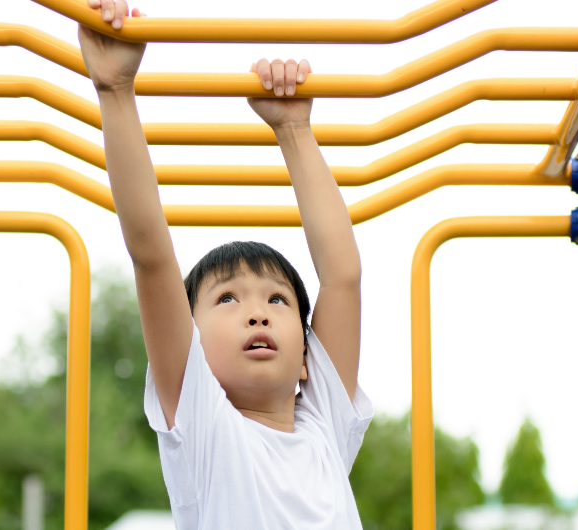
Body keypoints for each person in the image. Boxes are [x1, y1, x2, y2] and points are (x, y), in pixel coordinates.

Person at [78, 2, 373, 528]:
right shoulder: (204, 424)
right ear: (189, 344)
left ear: (308, 359)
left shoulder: (325, 424)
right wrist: (116, 90)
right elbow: (152, 257)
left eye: (277, 300)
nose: (257, 314)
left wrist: (295, 129)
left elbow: (342, 275)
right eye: (228, 298)